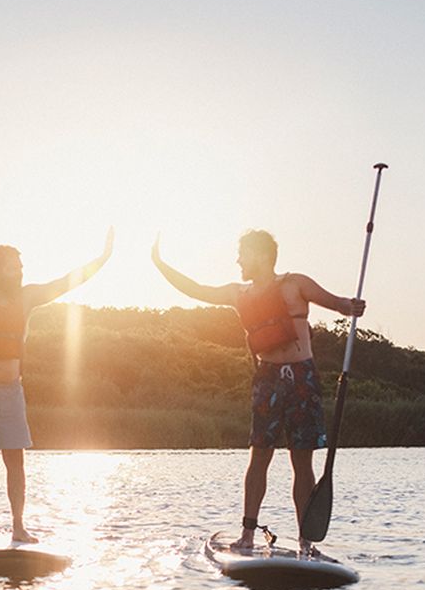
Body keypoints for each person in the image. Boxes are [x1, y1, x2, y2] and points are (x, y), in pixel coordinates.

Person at [151, 229, 365, 553]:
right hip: (267, 379)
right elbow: (195, 289)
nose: (238, 260)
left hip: (302, 380)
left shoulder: (296, 284)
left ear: (262, 255)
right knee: (259, 456)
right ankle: (247, 535)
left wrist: (352, 306)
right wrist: (159, 264)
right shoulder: (238, 293)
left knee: (302, 462)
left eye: (243, 253)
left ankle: (306, 541)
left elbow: (338, 304)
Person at [0, 228, 113, 542]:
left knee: (15, 460)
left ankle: (18, 527)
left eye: (20, 266)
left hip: (11, 391)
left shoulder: (26, 297)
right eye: (12, 266)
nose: (18, 271)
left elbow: (66, 282)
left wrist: (102, 258)